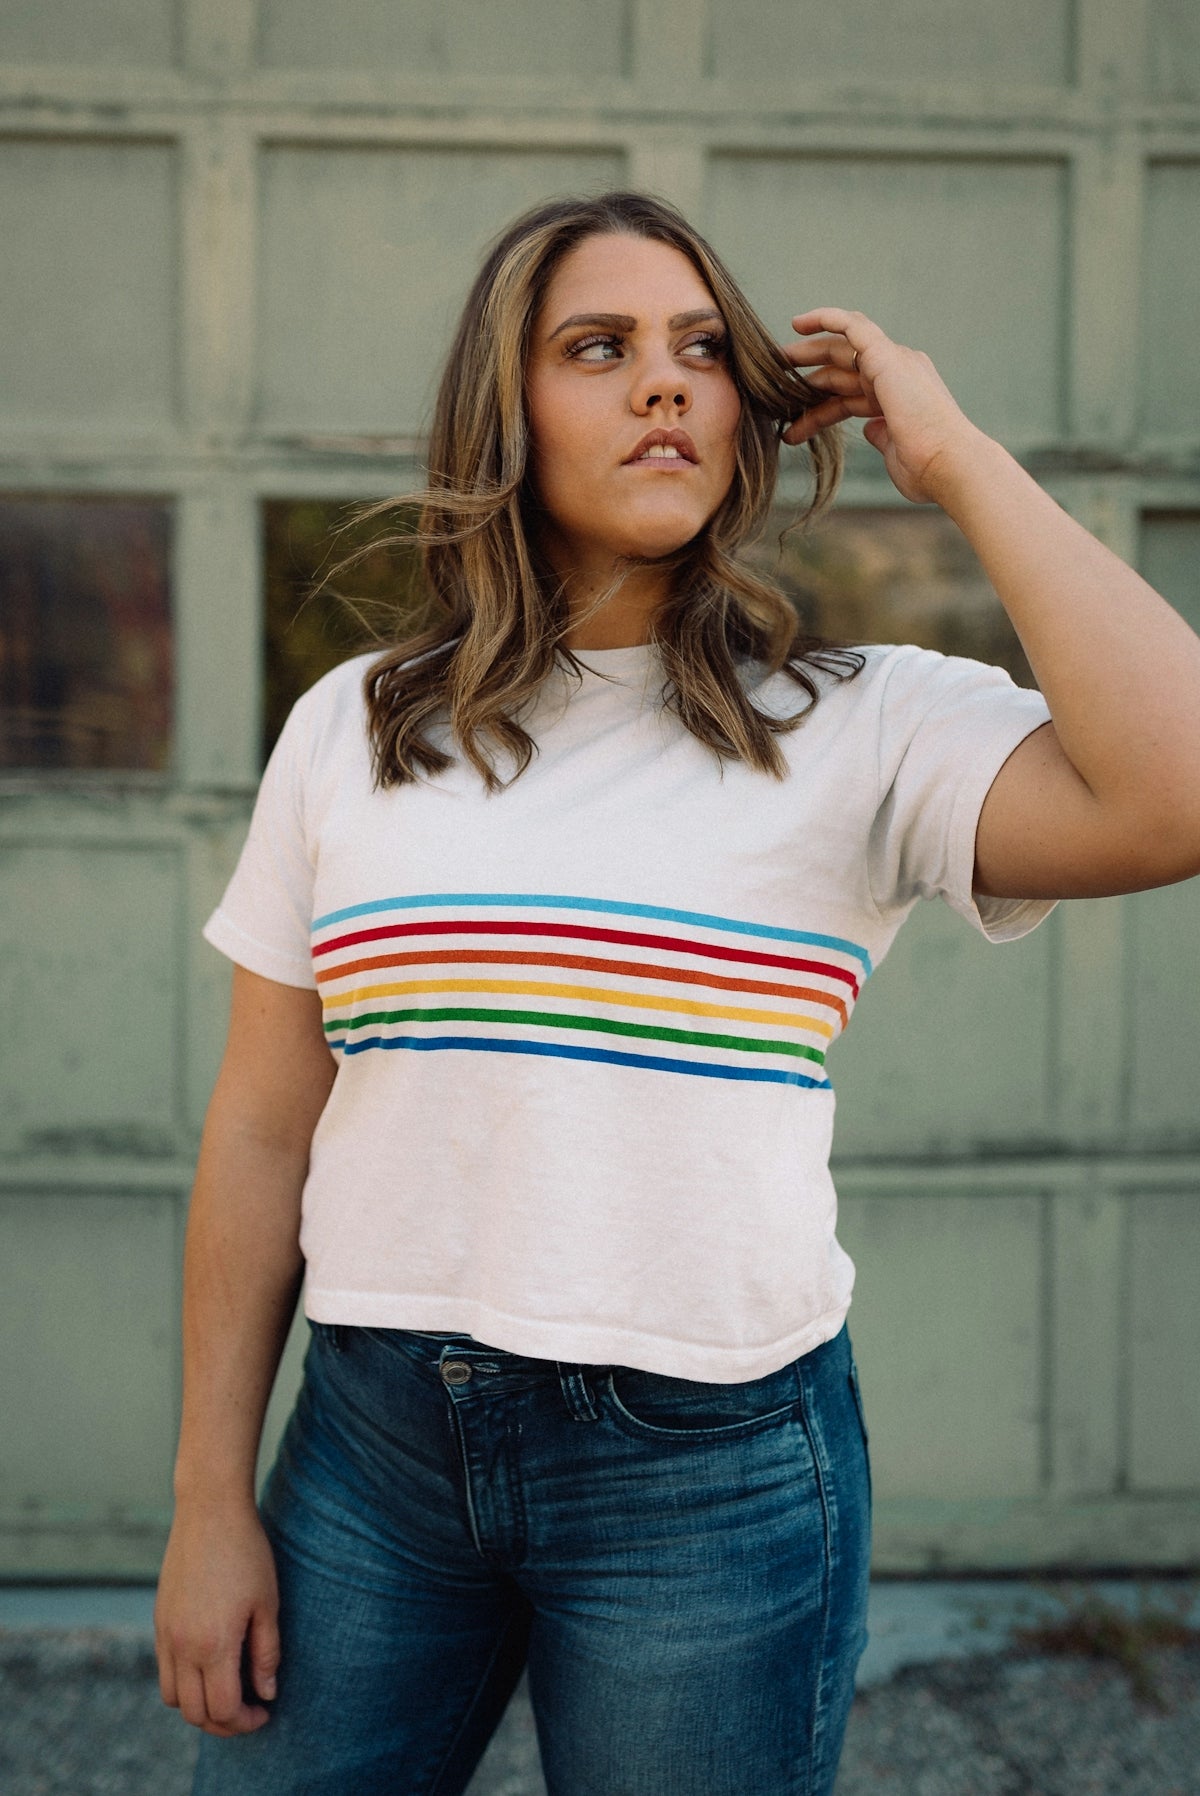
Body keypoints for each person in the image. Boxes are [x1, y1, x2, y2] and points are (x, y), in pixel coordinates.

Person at [154, 190, 1200, 1796]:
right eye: (600, 347)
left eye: (704, 349)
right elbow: (259, 1130)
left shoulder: (857, 724)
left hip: (709, 1479)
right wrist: (206, 1500)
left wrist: (956, 458)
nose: (664, 380)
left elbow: (1174, 789)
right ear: (506, 408)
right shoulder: (358, 725)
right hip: (375, 1451)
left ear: (745, 410)